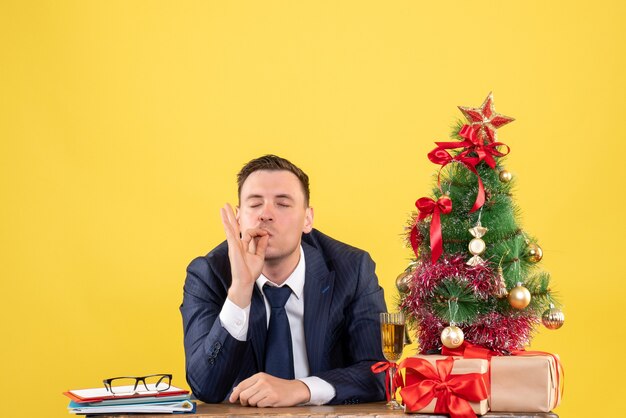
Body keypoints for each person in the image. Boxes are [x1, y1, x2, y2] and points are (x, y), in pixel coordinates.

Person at [180, 155, 386, 407]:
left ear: (307, 219)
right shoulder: (208, 273)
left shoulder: (352, 269)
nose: (265, 215)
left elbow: (380, 373)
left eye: (283, 204)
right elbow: (205, 387)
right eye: (254, 204)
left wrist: (302, 389)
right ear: (238, 219)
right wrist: (240, 290)